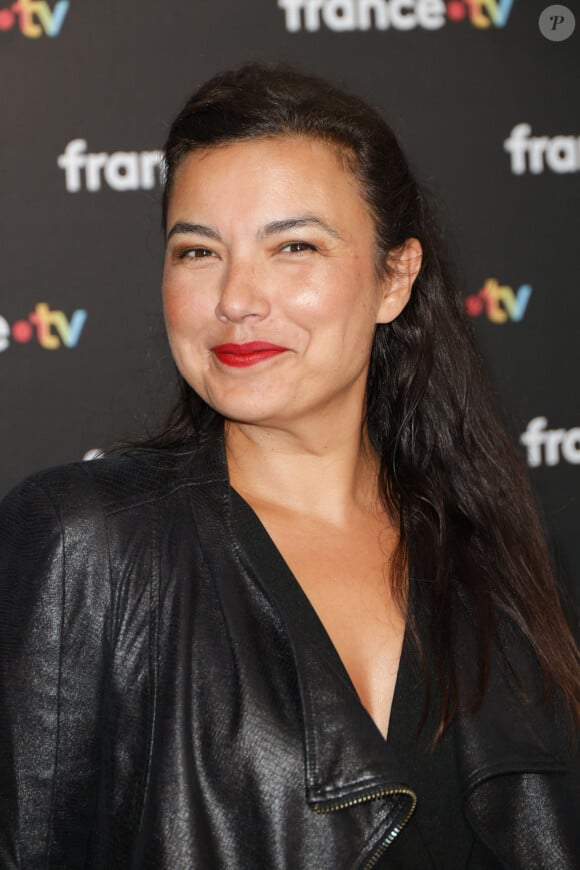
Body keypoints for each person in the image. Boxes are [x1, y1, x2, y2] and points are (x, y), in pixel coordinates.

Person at [0, 64, 578, 870]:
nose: (237, 296)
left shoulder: (498, 559)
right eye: (198, 250)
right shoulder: (86, 545)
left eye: (294, 245)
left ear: (394, 278)